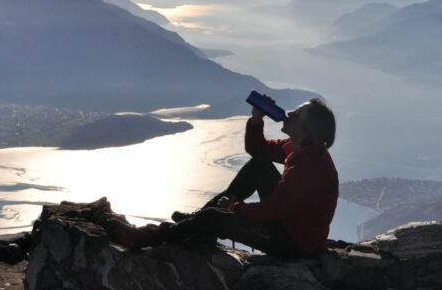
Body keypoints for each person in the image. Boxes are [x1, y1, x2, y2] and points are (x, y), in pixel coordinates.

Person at [105, 95, 339, 258]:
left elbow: (270, 211)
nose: (289, 114)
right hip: (288, 222)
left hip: (291, 242)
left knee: (212, 218)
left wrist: (235, 208)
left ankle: (145, 239)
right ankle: (197, 222)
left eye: (296, 115)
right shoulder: (299, 148)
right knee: (259, 165)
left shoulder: (310, 169)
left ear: (309, 129)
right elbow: (258, 150)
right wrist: (257, 119)